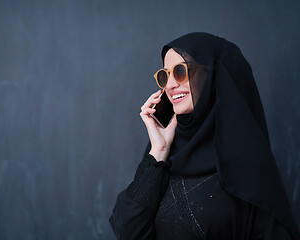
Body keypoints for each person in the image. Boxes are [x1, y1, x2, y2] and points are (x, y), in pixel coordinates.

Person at [108, 32, 299, 240]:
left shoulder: (249, 166)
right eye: (165, 75)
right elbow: (128, 232)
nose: (170, 85)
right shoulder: (163, 155)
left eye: (181, 71)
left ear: (213, 76)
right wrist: (158, 152)